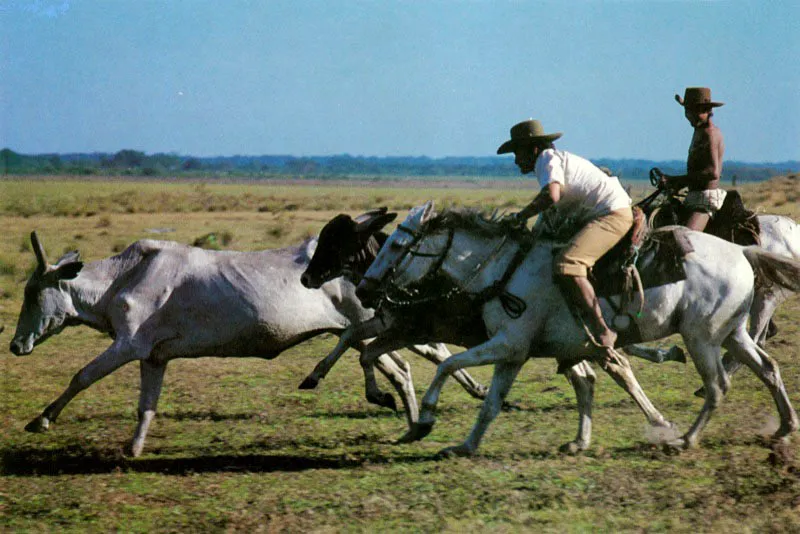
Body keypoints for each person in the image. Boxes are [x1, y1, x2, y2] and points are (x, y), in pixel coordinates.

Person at [497, 119, 633, 349]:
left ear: (534, 148)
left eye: (518, 152)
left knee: (567, 264)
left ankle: (602, 329)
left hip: (612, 214)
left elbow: (551, 196)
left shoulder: (547, 160)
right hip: (603, 212)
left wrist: (521, 216)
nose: (516, 160)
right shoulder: (552, 160)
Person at [654, 87, 725, 231]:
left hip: (705, 202)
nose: (689, 116)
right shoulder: (700, 131)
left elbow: (713, 172)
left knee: (683, 240)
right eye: (687, 111)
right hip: (694, 197)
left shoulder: (710, 134)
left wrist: (678, 181)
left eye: (693, 112)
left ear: (706, 111)